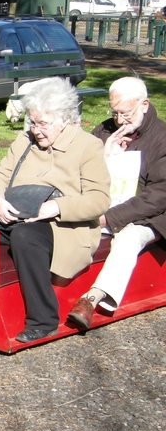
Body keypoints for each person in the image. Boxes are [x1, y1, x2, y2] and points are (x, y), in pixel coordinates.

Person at [0, 77, 110, 343]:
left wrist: (55, 207)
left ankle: (43, 319)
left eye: (43, 124)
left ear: (64, 119)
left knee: (26, 237)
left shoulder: (88, 146)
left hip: (62, 227)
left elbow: (99, 200)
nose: (37, 130)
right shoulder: (25, 141)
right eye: (33, 122)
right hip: (17, 215)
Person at [67, 77, 166, 329]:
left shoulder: (161, 138)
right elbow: (75, 172)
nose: (120, 120)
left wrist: (108, 218)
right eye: (115, 113)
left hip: (149, 215)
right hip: (103, 205)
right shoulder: (104, 130)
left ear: (144, 104)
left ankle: (92, 298)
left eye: (126, 113)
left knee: (129, 237)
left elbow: (157, 197)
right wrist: (104, 156)